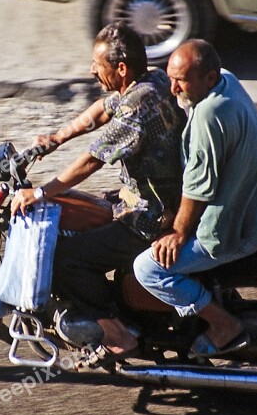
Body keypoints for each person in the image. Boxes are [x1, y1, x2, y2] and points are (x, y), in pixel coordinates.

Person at [11, 22, 184, 365]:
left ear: (120, 68)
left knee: (63, 256)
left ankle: (117, 335)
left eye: (97, 64)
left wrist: (41, 193)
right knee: (84, 216)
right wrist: (57, 137)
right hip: (143, 198)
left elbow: (91, 161)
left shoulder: (138, 107)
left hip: (150, 216)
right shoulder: (153, 81)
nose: (91, 70)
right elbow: (104, 108)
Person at [133, 39, 257, 358]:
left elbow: (198, 190)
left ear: (208, 78)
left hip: (234, 232)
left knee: (148, 269)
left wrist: (178, 233)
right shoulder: (228, 81)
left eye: (181, 81)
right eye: (169, 78)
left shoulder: (208, 116)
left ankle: (223, 325)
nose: (173, 89)